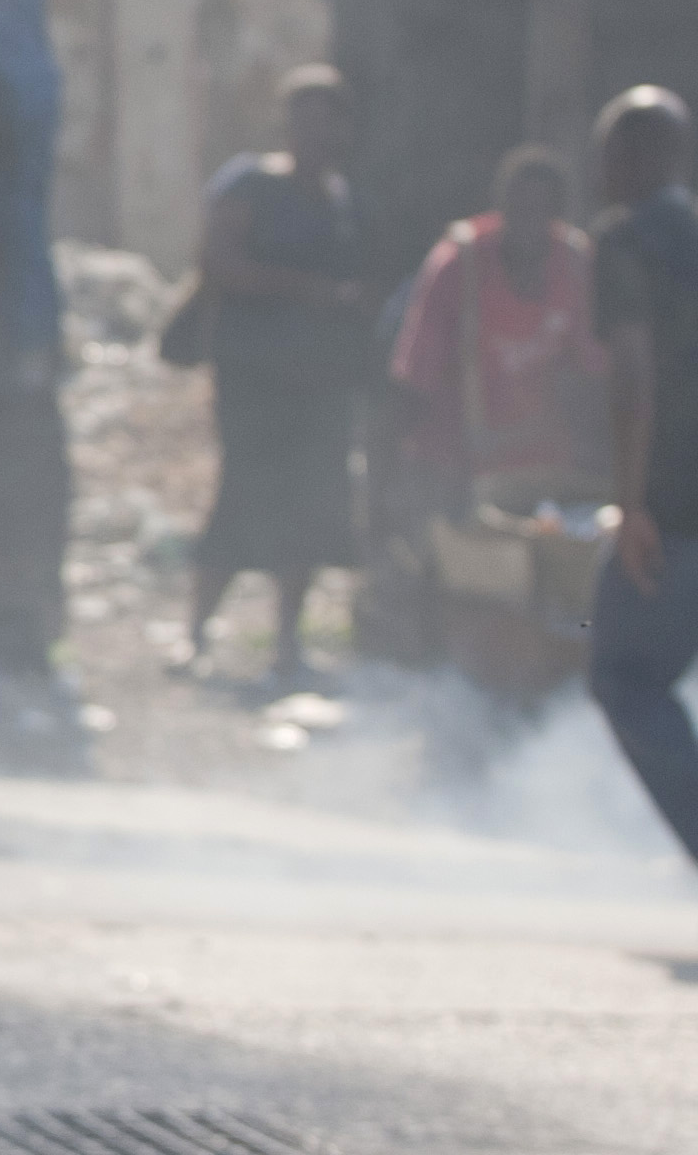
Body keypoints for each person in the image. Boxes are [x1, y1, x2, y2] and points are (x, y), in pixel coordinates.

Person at [188, 66, 368, 686]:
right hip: (253, 376)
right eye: (308, 121)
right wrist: (307, 292)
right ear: (289, 126)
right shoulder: (252, 184)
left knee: (310, 510)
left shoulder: (342, 198)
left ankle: (288, 646)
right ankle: (196, 635)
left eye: (332, 122)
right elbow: (218, 264)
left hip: (317, 384)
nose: (321, 135)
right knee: (241, 498)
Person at [590, 86, 698, 866]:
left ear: (633, 155)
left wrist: (631, 505)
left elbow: (633, 374)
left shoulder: (626, 240)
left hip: (672, 504)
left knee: (625, 677)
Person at [388, 146, 605, 507]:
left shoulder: (576, 262)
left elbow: (593, 369)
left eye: (542, 211)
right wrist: (400, 479)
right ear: (500, 206)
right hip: (458, 467)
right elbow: (415, 377)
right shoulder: (459, 263)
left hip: (546, 473)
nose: (530, 224)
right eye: (520, 209)